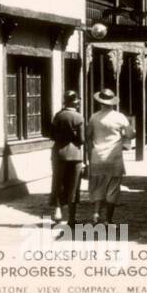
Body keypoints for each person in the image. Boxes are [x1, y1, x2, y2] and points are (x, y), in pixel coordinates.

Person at [85, 88, 133, 226]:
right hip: (114, 158)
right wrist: (124, 134)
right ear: (112, 102)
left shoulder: (94, 117)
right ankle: (108, 220)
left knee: (98, 187)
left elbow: (88, 136)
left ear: (100, 102)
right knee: (112, 189)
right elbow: (130, 135)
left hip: (97, 157)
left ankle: (96, 214)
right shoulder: (120, 117)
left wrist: (90, 153)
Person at [47, 91, 85, 225]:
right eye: (77, 100)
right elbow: (81, 139)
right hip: (74, 155)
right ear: (73, 102)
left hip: (58, 153)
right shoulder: (78, 117)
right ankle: (71, 218)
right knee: (73, 186)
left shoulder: (57, 116)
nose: (79, 102)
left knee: (58, 182)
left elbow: (51, 135)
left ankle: (57, 212)